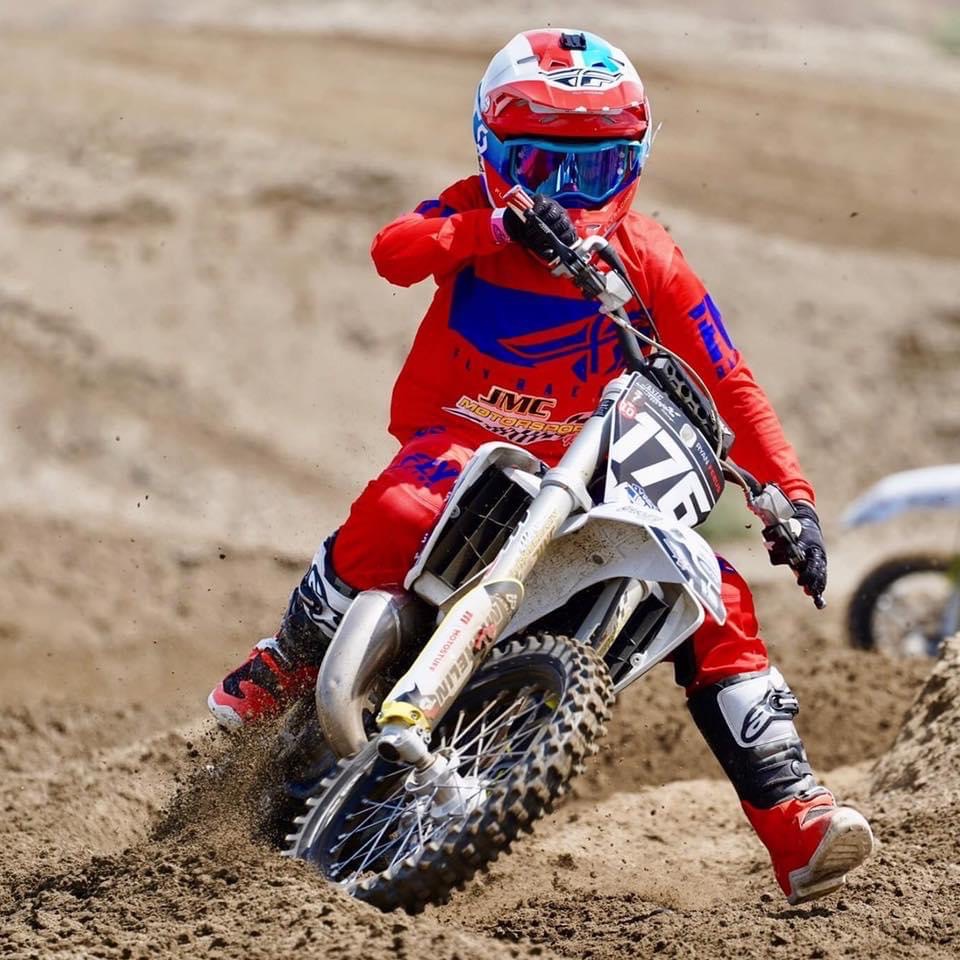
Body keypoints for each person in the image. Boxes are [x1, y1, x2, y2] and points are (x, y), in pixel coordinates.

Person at [208, 28, 873, 904]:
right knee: (402, 511)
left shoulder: (649, 256)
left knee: (719, 591)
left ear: (632, 163)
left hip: (592, 470)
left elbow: (726, 379)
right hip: (460, 443)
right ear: (490, 151)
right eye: (541, 166)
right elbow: (393, 251)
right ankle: (285, 661)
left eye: (592, 170)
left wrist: (791, 498)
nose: (566, 193)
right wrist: (489, 223)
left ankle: (795, 819)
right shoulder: (474, 222)